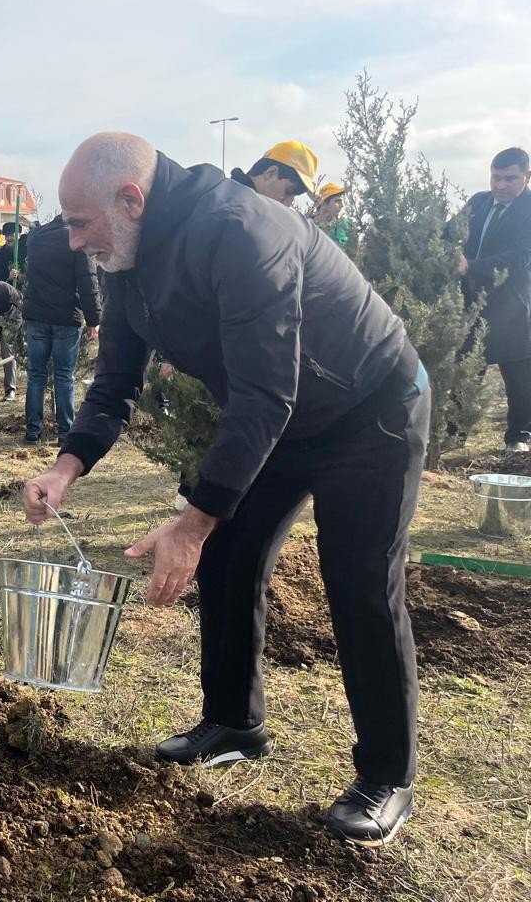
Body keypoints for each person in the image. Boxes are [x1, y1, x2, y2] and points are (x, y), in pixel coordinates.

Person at [24, 132, 429, 848]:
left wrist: (192, 520)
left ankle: (387, 776)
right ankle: (234, 721)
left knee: (361, 582)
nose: (72, 238)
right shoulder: (125, 256)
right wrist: (66, 466)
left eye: (79, 222)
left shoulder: (242, 231)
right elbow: (116, 381)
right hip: (284, 420)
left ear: (130, 199)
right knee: (231, 555)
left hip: (371, 411)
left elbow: (266, 393)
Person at [456, 147, 531, 451]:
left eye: (509, 179)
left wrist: (471, 267)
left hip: (511, 304)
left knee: (518, 374)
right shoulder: (478, 202)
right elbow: (453, 232)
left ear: (527, 177)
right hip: (472, 302)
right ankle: (455, 434)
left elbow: (520, 257)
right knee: (467, 370)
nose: (500, 185)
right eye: (495, 177)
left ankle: (519, 436)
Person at [20, 214, 101, 444]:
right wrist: (94, 319)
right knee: (64, 376)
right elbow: (88, 280)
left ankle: (32, 431)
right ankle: (65, 432)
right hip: (66, 317)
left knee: (36, 375)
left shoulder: (35, 238)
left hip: (36, 315)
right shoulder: (76, 239)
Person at [230, 141, 319, 207]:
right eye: (289, 191)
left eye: (294, 196)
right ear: (270, 173)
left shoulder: (227, 195)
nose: (288, 204)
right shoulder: (233, 206)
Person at [312, 182, 353, 253]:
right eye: (337, 201)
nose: (342, 205)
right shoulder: (310, 226)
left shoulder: (344, 224)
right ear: (324, 204)